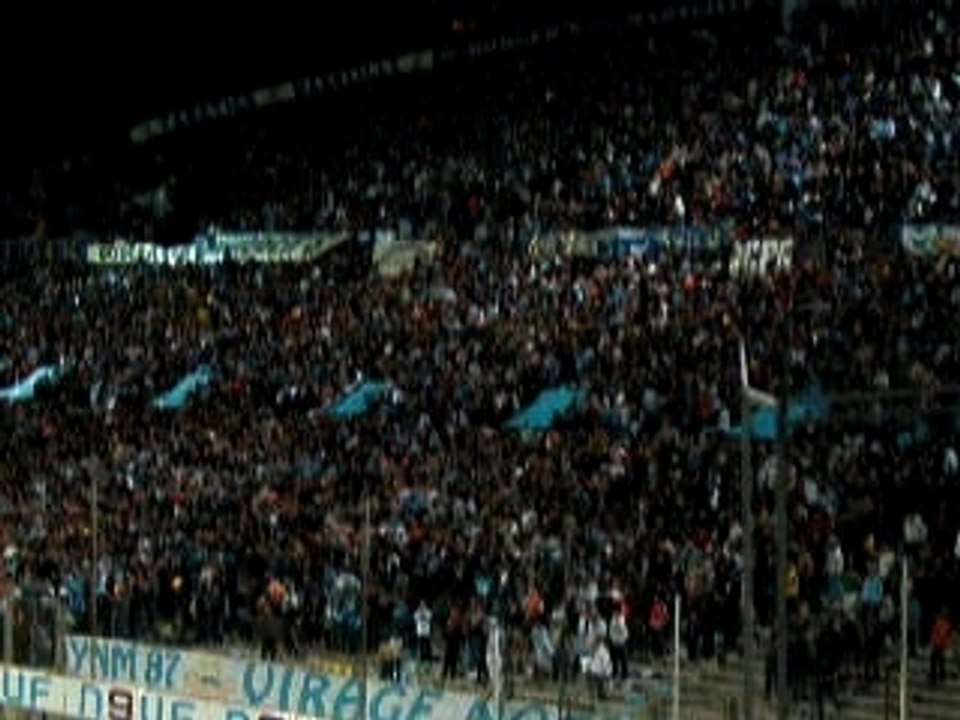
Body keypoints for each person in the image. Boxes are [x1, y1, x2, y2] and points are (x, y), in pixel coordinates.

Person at [929, 608, 953, 687]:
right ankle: (934, 678)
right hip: (937, 644)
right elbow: (934, 632)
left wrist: (946, 644)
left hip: (942, 645)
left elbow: (948, 636)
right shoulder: (938, 621)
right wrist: (933, 642)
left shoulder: (948, 624)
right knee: (934, 660)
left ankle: (941, 677)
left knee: (941, 661)